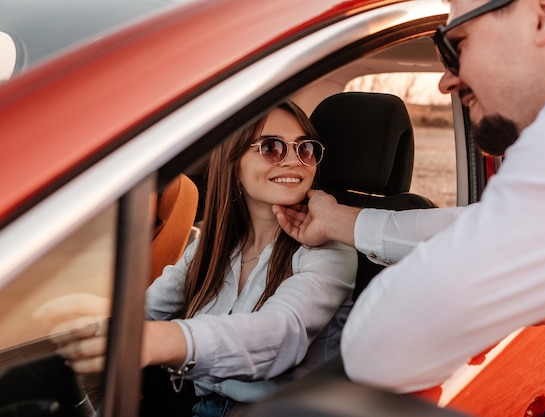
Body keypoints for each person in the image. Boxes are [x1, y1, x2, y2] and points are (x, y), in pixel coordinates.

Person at [273, 0, 545, 401]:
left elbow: (376, 348)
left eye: (454, 44)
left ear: (544, 12)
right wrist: (339, 222)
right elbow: (485, 225)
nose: (445, 82)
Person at [37, 101, 357, 417]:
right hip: (203, 409)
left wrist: (157, 341)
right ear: (233, 165)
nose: (294, 161)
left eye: (305, 149)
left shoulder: (330, 251)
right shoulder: (213, 245)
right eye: (272, 147)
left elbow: (279, 334)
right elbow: (148, 309)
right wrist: (89, 325)